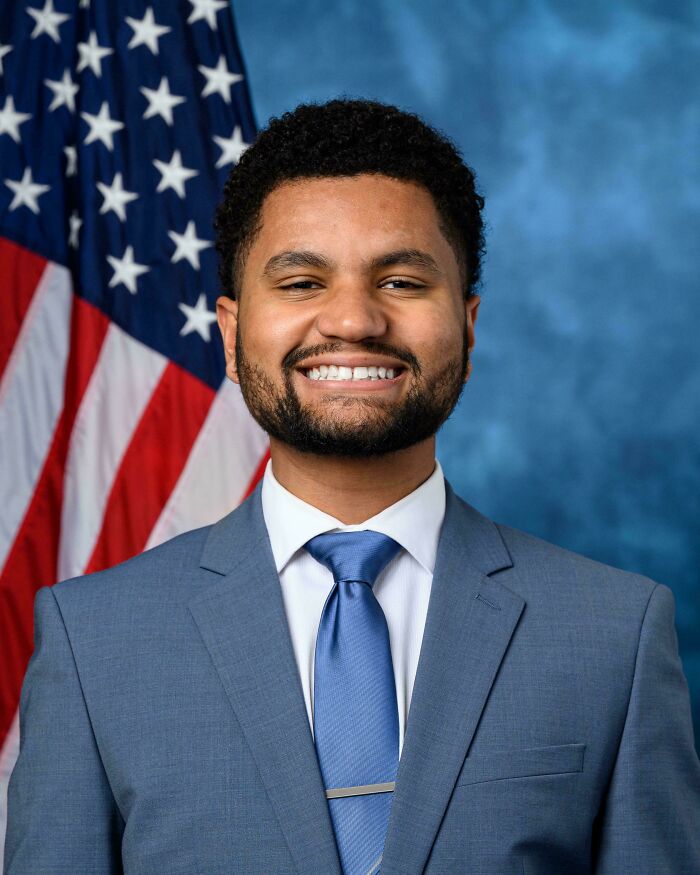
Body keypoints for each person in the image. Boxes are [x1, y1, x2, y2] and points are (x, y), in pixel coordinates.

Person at [5, 99, 700, 875]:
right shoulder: (93, 638)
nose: (354, 320)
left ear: (468, 329)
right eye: (302, 281)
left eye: (401, 280)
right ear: (230, 337)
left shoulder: (616, 631)